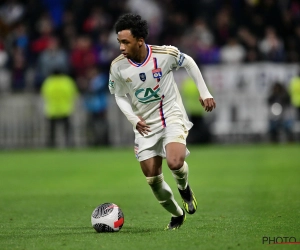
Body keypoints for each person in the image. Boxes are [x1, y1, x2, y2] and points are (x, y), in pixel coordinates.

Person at [109, 14, 216, 230]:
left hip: (170, 115)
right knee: (153, 179)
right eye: (119, 41)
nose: (121, 47)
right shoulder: (118, 67)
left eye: (125, 42)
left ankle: (184, 188)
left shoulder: (164, 54)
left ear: (140, 40)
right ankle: (177, 215)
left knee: (175, 162)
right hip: (144, 125)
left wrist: (204, 93)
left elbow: (190, 62)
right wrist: (133, 118)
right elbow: (119, 95)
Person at [41, 69, 78, 148]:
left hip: (52, 110)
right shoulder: (67, 81)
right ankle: (69, 144)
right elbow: (73, 93)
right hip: (65, 109)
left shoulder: (48, 82)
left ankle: (51, 145)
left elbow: (44, 94)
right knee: (67, 130)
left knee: (52, 131)